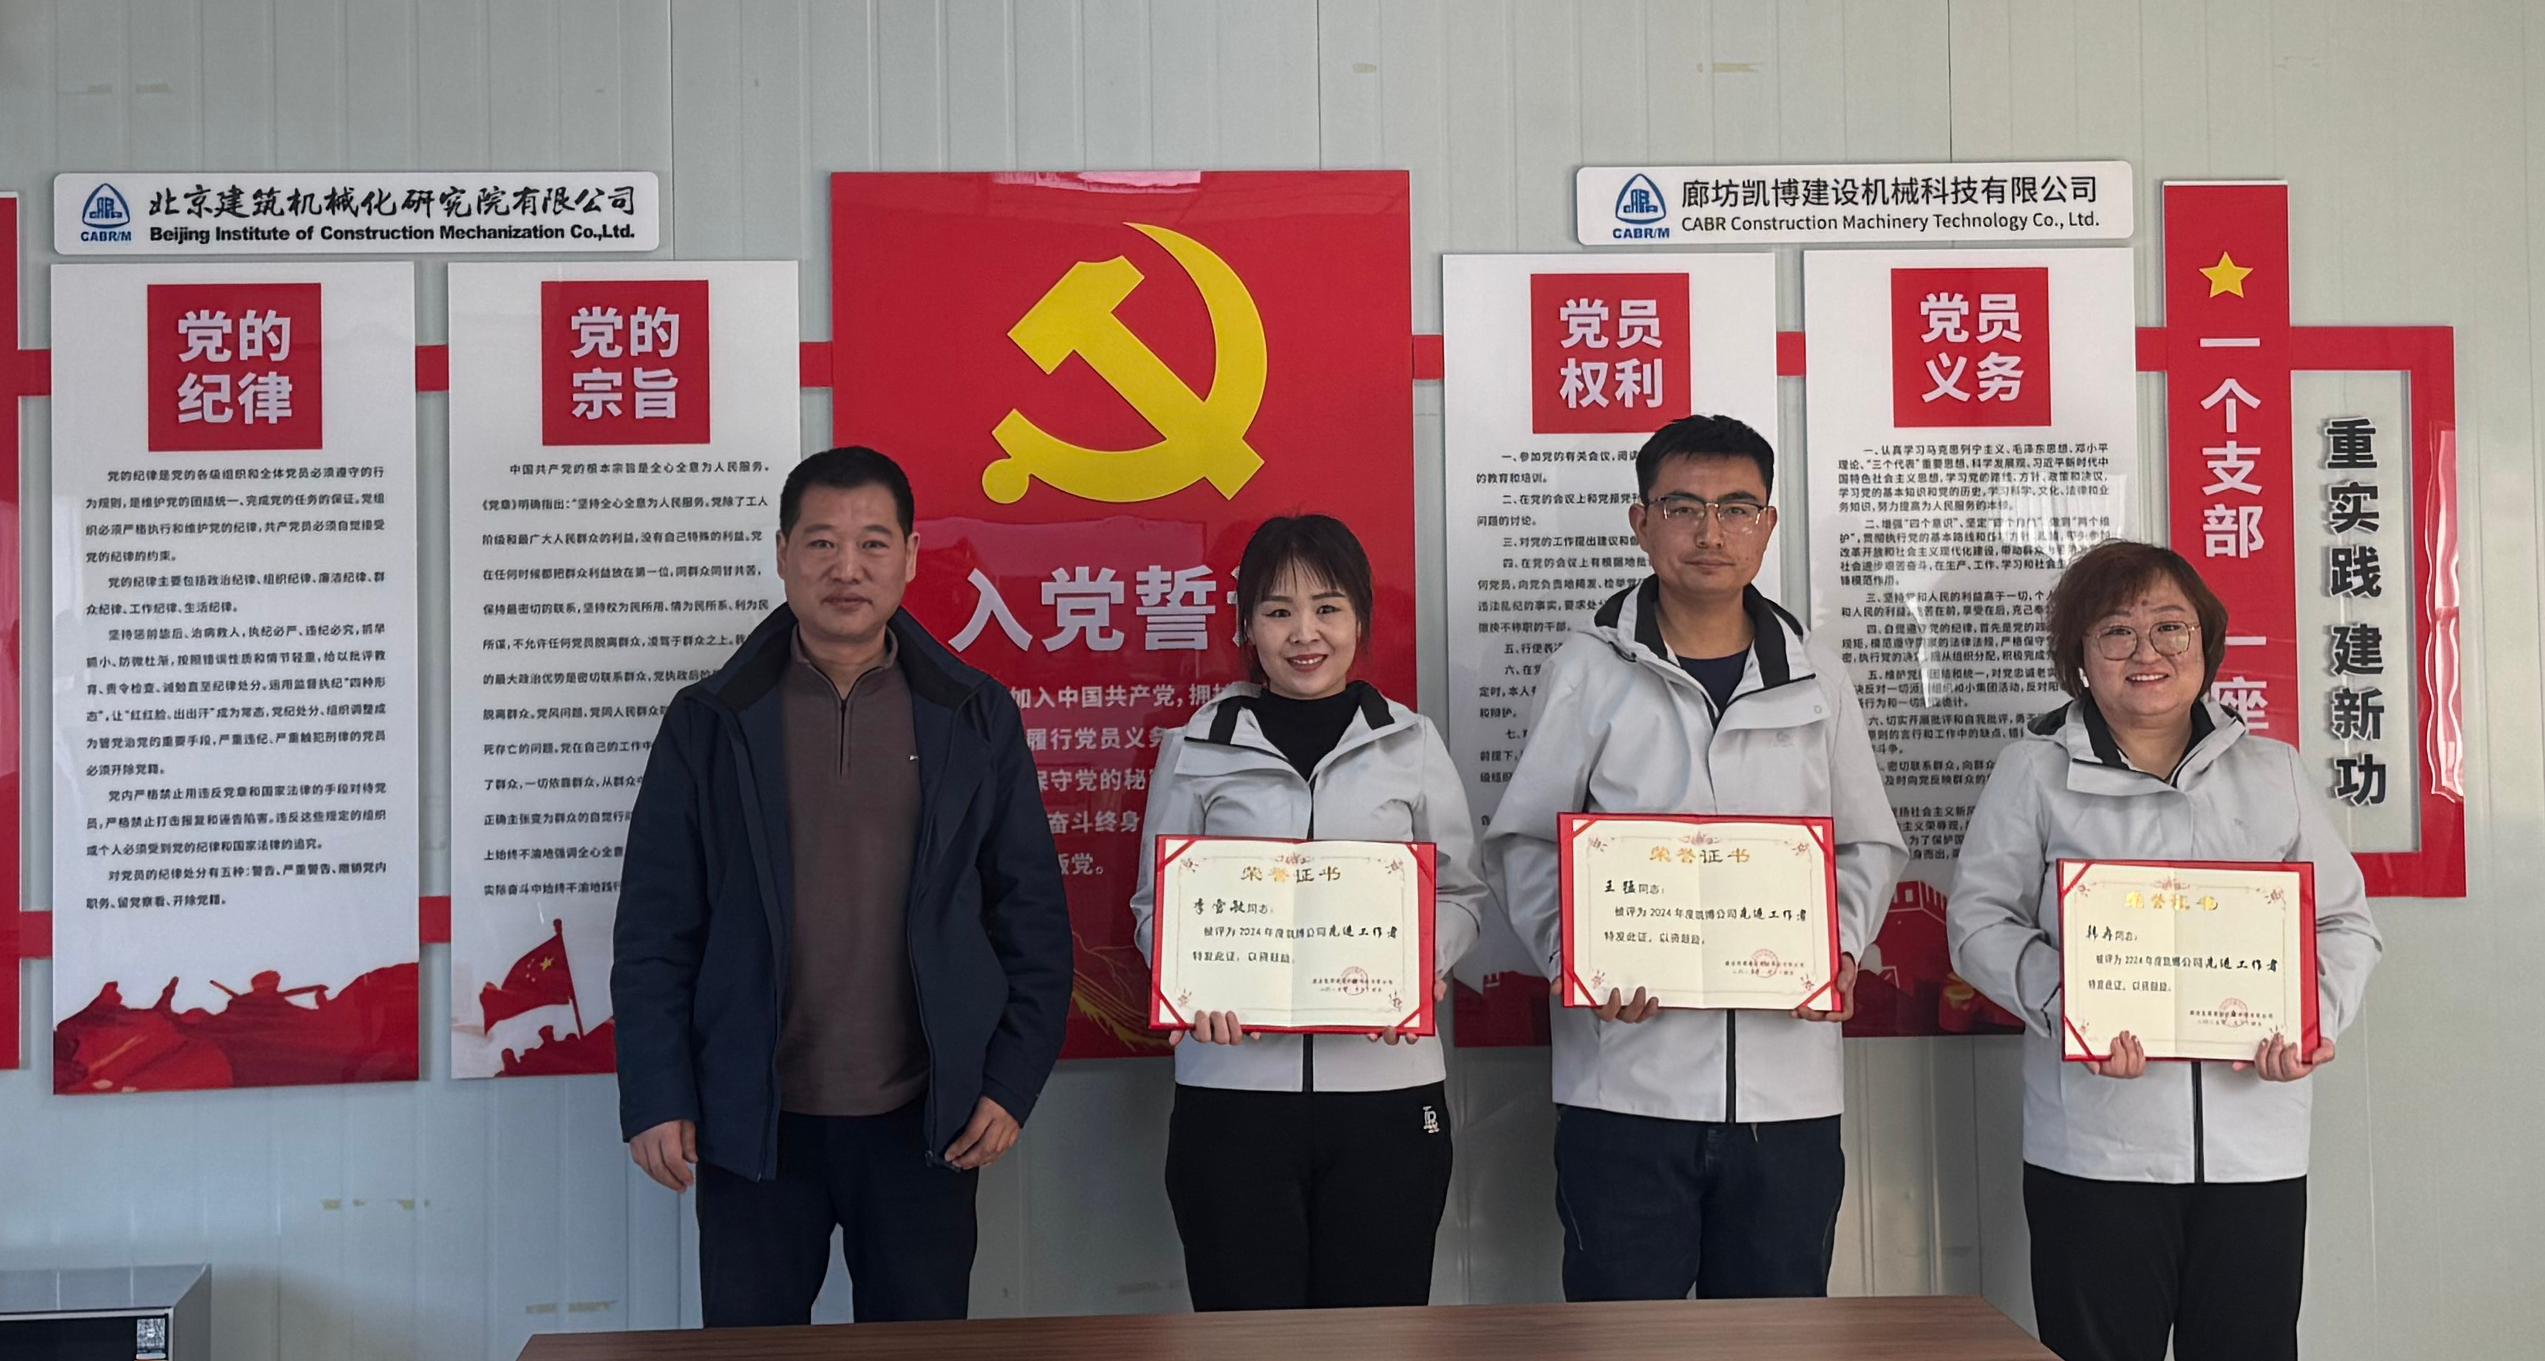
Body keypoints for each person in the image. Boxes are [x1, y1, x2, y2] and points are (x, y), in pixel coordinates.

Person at [611, 445, 1071, 1326]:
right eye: (821, 543)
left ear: (910, 554)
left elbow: (1032, 920)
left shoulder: (973, 715)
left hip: (925, 1121)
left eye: (871, 543)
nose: (846, 568)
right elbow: (655, 930)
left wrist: (1009, 1082)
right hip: (754, 1119)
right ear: (782, 553)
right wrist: (657, 1092)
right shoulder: (710, 722)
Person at [1483, 413, 1907, 1302]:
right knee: (1621, 1339)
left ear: (1767, 525)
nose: (1710, 532)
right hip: (1624, 1083)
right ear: (1641, 522)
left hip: (1786, 1093)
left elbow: (1866, 840)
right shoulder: (1588, 667)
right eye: (1683, 507)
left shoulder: (1816, 676)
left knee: (1773, 1338)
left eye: (1735, 508)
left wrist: (1834, 948)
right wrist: (1574, 959)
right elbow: (1525, 838)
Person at [1947, 540, 2381, 1361]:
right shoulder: (2033, 771)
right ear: (2079, 655)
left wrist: (2310, 1019)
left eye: (2169, 628)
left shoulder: (2272, 771)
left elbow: (2344, 922)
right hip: (2097, 1146)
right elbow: (1978, 924)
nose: (2145, 652)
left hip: (2253, 1143)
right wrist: (2071, 1005)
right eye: (2116, 630)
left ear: (2204, 643)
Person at [1127, 514, 1489, 1311]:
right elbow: (1156, 904)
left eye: (1327, 608)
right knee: (1244, 1327)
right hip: (1232, 1089)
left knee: (1377, 1328)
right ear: (1245, 625)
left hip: (1387, 1090)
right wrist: (1191, 983)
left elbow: (1461, 893)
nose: (1304, 633)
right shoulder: (1196, 745)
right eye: (1277, 610)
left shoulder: (1412, 743)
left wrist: (1420, 963)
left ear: (1360, 618)